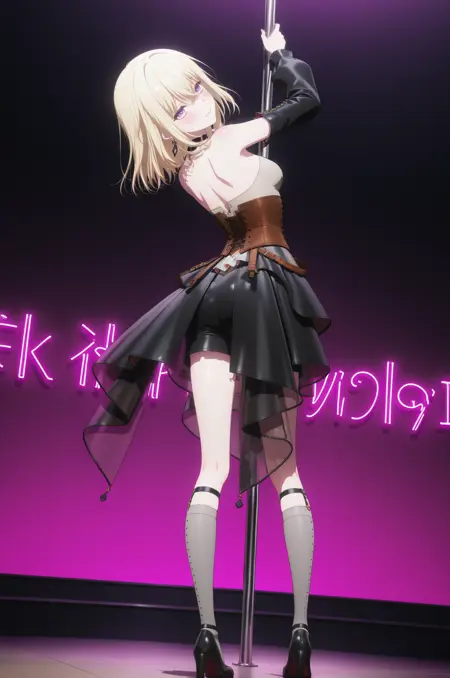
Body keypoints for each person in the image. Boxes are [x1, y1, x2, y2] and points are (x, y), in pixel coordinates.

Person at [84, 24, 330, 678]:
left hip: (212, 293)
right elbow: (306, 100)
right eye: (180, 100)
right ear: (164, 121)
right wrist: (281, 55)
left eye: (194, 87)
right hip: (264, 285)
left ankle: (206, 635)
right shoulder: (229, 138)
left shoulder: (186, 171)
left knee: (211, 469)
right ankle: (300, 635)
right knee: (288, 474)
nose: (198, 101)